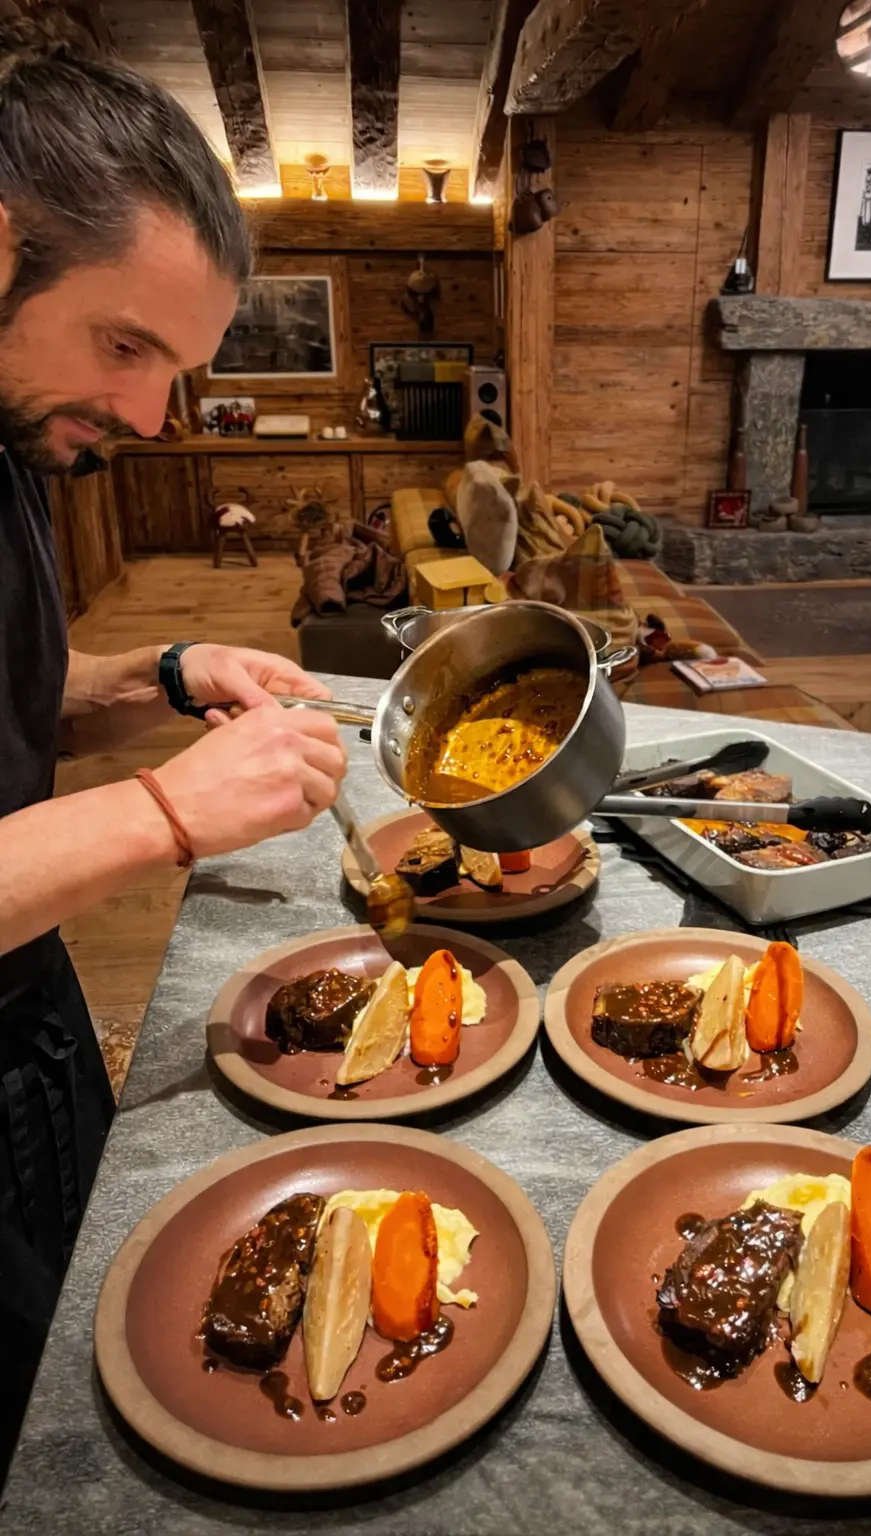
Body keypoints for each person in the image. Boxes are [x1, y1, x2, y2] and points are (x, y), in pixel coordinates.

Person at [0, 15, 347, 1472]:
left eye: (175, 367)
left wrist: (162, 669)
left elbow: (19, 688)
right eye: (124, 343)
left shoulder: (10, 437)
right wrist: (170, 814)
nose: (148, 412)